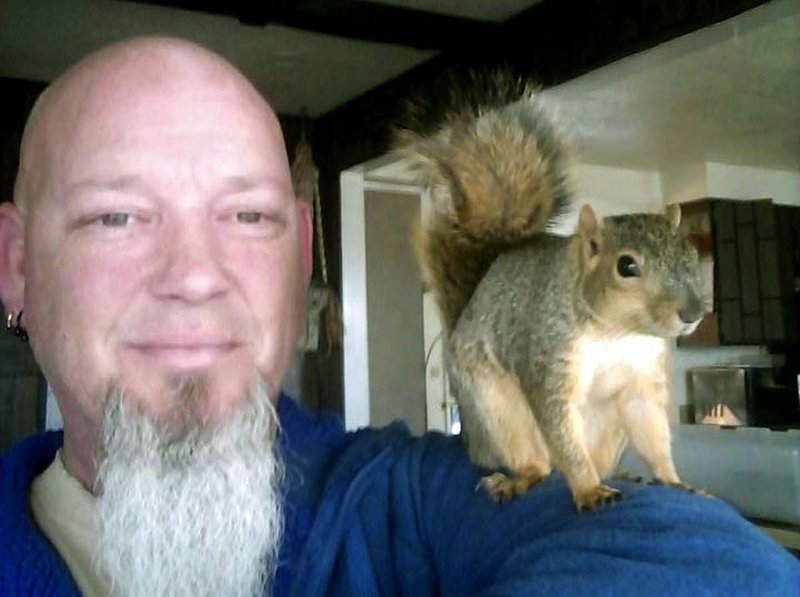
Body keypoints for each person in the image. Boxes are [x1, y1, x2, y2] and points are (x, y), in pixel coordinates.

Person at [0, 36, 796, 597]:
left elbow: (716, 563)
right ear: (16, 264)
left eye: (246, 217)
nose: (196, 277)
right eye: (115, 217)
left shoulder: (394, 497)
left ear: (297, 256)